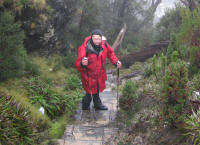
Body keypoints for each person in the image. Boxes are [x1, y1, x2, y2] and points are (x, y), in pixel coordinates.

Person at [75, 29, 122, 110]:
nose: (97, 41)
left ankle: (97, 104)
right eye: (95, 39)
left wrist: (116, 62)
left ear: (101, 39)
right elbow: (77, 63)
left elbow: (111, 54)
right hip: (88, 74)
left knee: (96, 89)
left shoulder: (104, 45)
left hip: (99, 73)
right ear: (91, 38)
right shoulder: (84, 47)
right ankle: (85, 106)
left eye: (99, 39)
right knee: (89, 93)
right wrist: (82, 63)